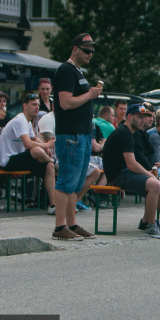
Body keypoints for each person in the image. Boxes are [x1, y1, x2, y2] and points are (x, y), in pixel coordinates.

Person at [102, 102, 160, 239]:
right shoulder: (124, 133)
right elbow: (131, 164)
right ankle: (151, 225)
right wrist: (150, 175)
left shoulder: (133, 133)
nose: (143, 120)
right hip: (117, 174)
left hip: (126, 172)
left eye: (144, 117)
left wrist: (152, 172)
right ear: (129, 117)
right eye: (140, 117)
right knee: (155, 183)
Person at [50, 33, 101, 241]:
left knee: (76, 183)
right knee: (66, 181)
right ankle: (59, 226)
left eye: (92, 51)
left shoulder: (77, 72)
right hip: (71, 135)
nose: (90, 54)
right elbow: (65, 102)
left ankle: (71, 223)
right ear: (75, 49)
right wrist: (90, 95)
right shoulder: (66, 70)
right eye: (87, 50)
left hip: (82, 134)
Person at [0, 93, 57, 215]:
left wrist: (44, 146)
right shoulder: (20, 120)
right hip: (7, 160)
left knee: (48, 167)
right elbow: (28, 144)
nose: (37, 107)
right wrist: (47, 146)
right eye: (33, 104)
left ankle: (53, 205)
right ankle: (53, 161)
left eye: (38, 104)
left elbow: (33, 138)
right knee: (36, 151)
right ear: (25, 106)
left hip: (20, 159)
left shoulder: (28, 121)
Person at [37, 111, 101, 213]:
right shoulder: (48, 118)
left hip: (71, 155)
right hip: (54, 157)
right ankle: (59, 206)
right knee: (70, 173)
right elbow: (50, 141)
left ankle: (74, 202)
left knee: (95, 171)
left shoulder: (72, 118)